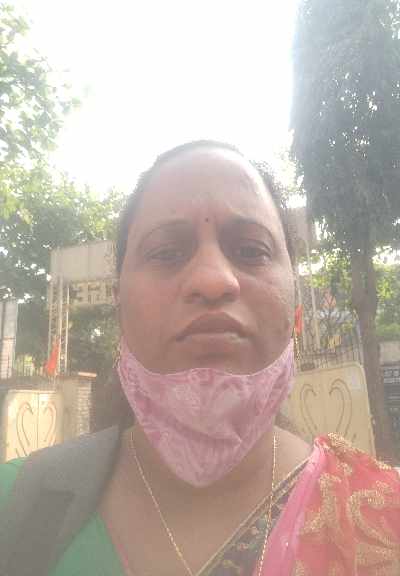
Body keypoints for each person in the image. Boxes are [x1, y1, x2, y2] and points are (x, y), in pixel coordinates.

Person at [1, 141, 400, 576]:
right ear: (119, 302)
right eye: (166, 253)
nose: (213, 280)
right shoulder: (16, 505)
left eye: (251, 250)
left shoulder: (384, 518)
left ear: (295, 302)